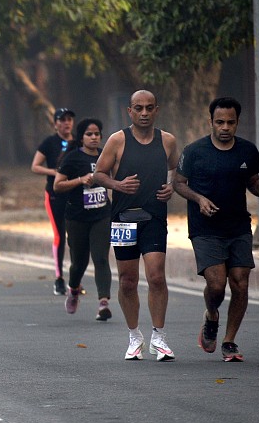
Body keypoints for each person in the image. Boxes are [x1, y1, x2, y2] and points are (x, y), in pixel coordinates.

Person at [174, 97, 259, 362]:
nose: (225, 127)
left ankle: (229, 341)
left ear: (237, 122)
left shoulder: (246, 150)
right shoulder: (194, 151)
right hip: (205, 228)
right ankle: (211, 316)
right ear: (210, 122)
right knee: (216, 285)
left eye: (230, 122)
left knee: (240, 282)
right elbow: (178, 183)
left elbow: (253, 182)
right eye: (220, 122)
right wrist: (199, 199)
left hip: (238, 226)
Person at [93, 90, 179, 361]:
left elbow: (177, 171)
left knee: (156, 276)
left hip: (154, 217)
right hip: (123, 218)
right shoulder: (118, 140)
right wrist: (117, 185)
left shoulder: (167, 141)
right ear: (129, 111)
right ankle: (134, 336)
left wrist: (171, 187)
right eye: (138, 108)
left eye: (149, 108)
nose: (144, 113)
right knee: (128, 281)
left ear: (156, 110)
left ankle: (159, 336)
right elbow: (98, 174)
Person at [53, 118, 112, 321]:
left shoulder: (106, 156)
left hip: (102, 215)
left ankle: (103, 303)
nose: (94, 137)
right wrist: (80, 180)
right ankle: (74, 289)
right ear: (81, 137)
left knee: (101, 258)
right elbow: (57, 185)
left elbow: (115, 178)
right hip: (77, 217)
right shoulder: (72, 158)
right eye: (89, 134)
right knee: (79, 262)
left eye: (97, 134)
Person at [31, 108, 76, 295]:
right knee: (59, 234)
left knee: (76, 237)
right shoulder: (49, 143)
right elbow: (35, 166)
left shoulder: (78, 143)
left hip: (74, 194)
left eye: (69, 120)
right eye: (62, 120)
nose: (66, 123)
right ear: (55, 123)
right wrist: (55, 173)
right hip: (55, 195)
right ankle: (59, 278)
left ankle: (76, 280)